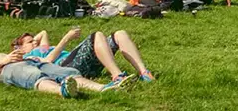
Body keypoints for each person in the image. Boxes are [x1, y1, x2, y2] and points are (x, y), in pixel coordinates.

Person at [12, 27, 156, 84]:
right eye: (30, 42)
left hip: (81, 63)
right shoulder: (29, 57)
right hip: (65, 67)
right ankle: (117, 76)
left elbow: (43, 32)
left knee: (120, 34)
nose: (35, 42)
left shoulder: (41, 48)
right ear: (20, 48)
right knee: (97, 35)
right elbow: (48, 61)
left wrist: (32, 40)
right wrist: (66, 38)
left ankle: (144, 72)